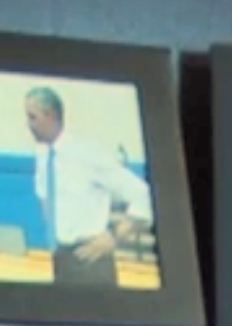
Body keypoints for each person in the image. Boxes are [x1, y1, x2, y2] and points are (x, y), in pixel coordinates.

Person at [24, 85, 155, 289]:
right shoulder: (43, 155)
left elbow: (143, 194)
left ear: (50, 116)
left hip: (90, 260)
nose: (28, 125)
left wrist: (114, 237)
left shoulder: (87, 153)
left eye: (32, 117)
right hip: (60, 257)